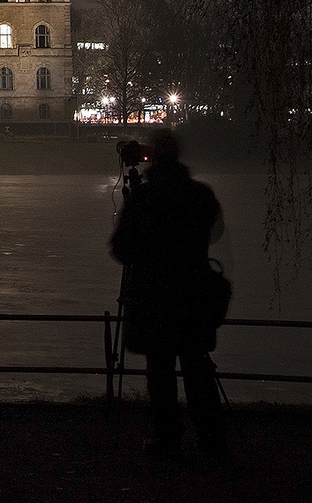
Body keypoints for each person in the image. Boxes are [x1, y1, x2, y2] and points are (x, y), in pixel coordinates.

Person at [109, 128, 226, 459]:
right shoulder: (202, 195)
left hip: (154, 297)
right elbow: (214, 233)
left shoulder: (144, 199)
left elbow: (122, 250)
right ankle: (211, 440)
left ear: (152, 158)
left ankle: (167, 439)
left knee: (160, 371)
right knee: (197, 367)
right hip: (194, 293)